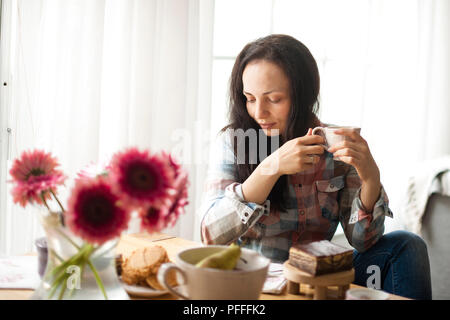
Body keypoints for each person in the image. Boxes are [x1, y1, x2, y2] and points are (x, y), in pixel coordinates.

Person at [199, 34, 432, 300]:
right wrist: (270, 168)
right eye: (250, 98)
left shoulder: (335, 144)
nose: (259, 112)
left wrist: (370, 179)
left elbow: (363, 242)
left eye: (273, 99)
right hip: (259, 280)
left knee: (407, 245)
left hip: (320, 277)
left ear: (303, 95)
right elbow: (210, 234)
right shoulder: (236, 141)